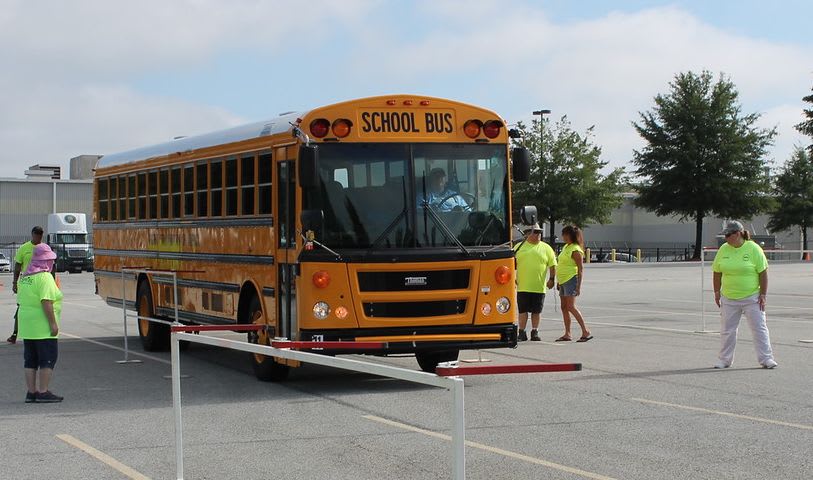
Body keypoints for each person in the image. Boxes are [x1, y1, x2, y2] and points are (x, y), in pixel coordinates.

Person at [712, 220, 777, 369]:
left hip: (752, 297)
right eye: (725, 235)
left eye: (728, 235)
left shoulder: (753, 248)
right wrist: (717, 292)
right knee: (727, 331)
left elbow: (763, 272)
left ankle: (766, 358)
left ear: (738, 234)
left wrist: (763, 294)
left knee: (759, 328)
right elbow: (717, 272)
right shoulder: (723, 249)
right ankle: (724, 359)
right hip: (729, 297)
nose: (726, 238)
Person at [17, 243, 64, 403]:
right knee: (48, 358)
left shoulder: (25, 278)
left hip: (27, 325)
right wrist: (53, 324)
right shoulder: (45, 278)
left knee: (30, 360)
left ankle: (31, 392)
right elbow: (46, 301)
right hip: (42, 325)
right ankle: (43, 391)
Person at [514, 223, 556, 341]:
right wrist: (512, 278)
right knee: (523, 311)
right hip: (523, 286)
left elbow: (552, 265)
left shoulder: (546, 248)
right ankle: (521, 332)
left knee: (536, 311)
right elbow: (510, 262)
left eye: (539, 232)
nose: (538, 234)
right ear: (527, 234)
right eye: (535, 232)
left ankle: (535, 331)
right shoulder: (519, 246)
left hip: (539, 286)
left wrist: (552, 279)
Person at [555, 225, 592, 342]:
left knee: (571, 306)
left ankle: (585, 331)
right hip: (563, 280)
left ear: (572, 236)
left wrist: (578, 286)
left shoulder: (576, 249)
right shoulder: (566, 247)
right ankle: (567, 333)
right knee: (564, 307)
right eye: (563, 234)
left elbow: (580, 269)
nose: (564, 237)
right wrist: (558, 281)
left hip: (571, 279)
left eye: (566, 234)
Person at [8, 226, 44, 344]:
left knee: (42, 307)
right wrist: (14, 282)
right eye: (37, 235)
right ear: (32, 235)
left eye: (41, 236)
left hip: (40, 282)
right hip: (26, 283)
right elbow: (18, 266)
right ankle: (15, 333)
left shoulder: (44, 248)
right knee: (22, 308)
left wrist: (51, 281)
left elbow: (51, 265)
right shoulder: (24, 248)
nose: (39, 238)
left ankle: (39, 333)